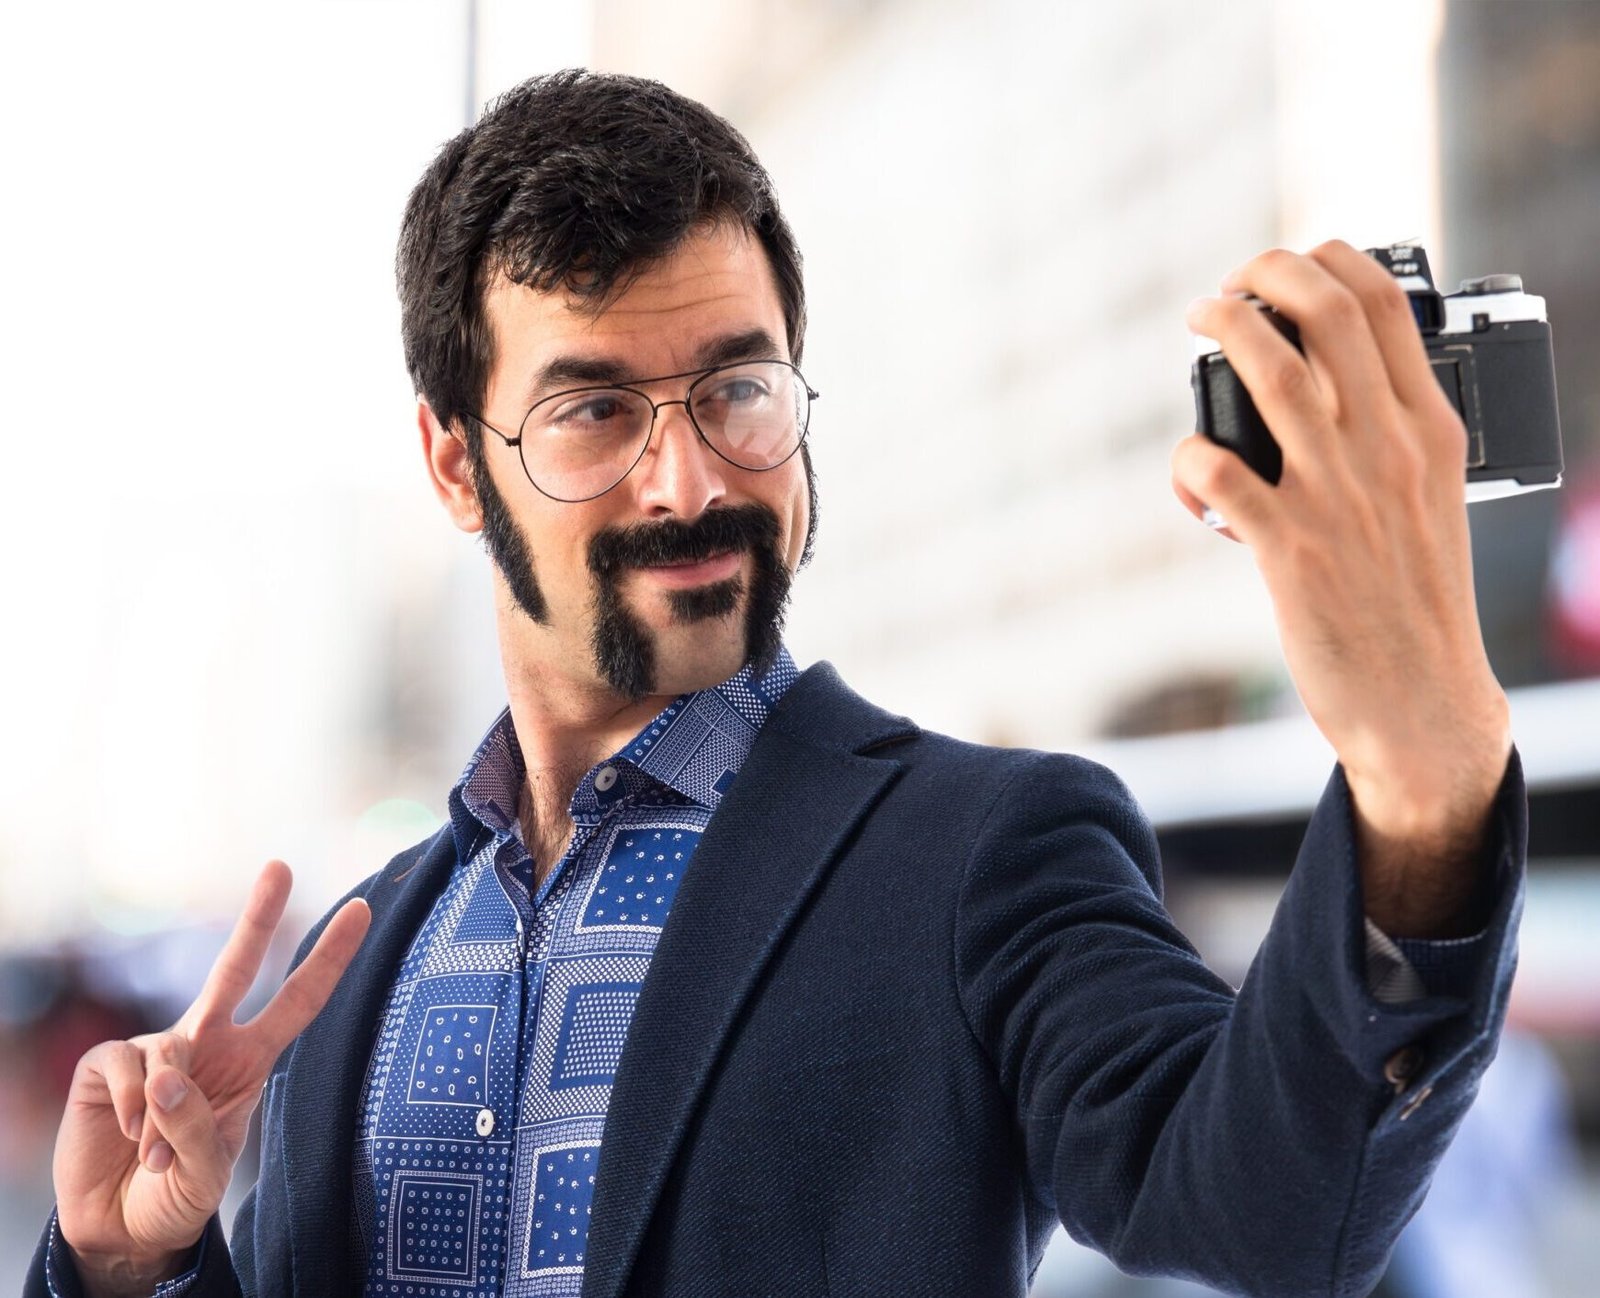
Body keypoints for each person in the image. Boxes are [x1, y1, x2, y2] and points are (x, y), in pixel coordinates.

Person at [30, 69, 1527, 1298]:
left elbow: (1270, 1204)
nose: (687, 481)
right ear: (451, 463)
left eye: (739, 391)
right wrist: (120, 1264)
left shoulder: (983, 851)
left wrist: (1423, 773)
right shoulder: (346, 968)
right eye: (594, 410)